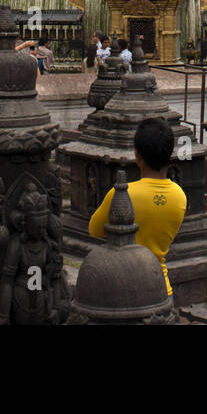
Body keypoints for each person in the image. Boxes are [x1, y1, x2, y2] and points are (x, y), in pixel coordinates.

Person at [88, 117, 187, 296]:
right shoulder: (180, 196)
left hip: (123, 287)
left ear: (137, 155)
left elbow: (94, 230)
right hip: (161, 288)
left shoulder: (122, 194)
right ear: (170, 154)